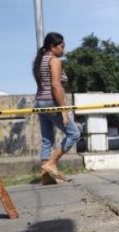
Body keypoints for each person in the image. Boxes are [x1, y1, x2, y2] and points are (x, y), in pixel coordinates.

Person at [32, 32, 80, 181]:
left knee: (47, 140)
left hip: (39, 102)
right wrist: (64, 110)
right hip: (51, 103)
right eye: (62, 47)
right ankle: (51, 163)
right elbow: (56, 86)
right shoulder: (54, 61)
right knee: (74, 133)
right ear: (52, 47)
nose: (64, 50)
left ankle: (45, 177)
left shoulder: (40, 61)